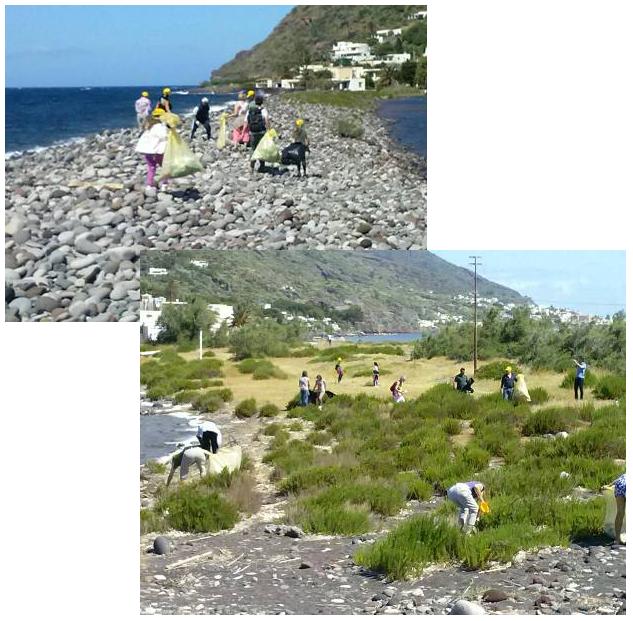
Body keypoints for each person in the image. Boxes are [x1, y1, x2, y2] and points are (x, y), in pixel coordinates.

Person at [134, 108, 168, 190]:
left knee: (151, 168)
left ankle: (149, 184)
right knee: (165, 167)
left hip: (148, 151)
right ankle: (164, 184)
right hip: (157, 151)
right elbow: (164, 136)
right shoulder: (160, 127)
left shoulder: (149, 127)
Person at [245, 93, 270, 172]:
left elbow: (246, 121)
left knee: (253, 149)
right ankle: (262, 166)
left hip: (252, 132)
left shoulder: (250, 110)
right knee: (262, 149)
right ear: (262, 102)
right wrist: (269, 130)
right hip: (262, 132)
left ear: (255, 102)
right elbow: (266, 120)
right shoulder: (263, 110)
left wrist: (244, 132)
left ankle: (252, 166)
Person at [602, 473, 626, 544]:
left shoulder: (625, 475)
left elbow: (617, 480)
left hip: (620, 486)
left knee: (620, 513)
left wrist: (608, 485)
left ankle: (617, 539)